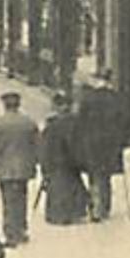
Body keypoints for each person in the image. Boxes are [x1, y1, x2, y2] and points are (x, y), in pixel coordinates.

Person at [0, 91, 40, 247]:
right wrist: (34, 162)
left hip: (5, 169)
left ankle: (10, 234)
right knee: (22, 198)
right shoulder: (29, 122)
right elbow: (38, 145)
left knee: (8, 201)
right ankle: (21, 230)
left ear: (4, 105)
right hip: (24, 168)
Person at [73, 70, 129, 221]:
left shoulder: (88, 98)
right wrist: (121, 142)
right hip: (110, 143)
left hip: (91, 141)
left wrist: (79, 139)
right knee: (106, 175)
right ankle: (104, 207)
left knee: (94, 173)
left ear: (97, 80)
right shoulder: (116, 98)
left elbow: (79, 121)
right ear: (109, 80)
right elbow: (124, 121)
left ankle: (95, 207)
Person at [39, 90, 89, 225]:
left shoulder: (52, 124)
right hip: (69, 160)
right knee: (71, 185)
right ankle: (74, 212)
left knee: (58, 188)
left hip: (56, 161)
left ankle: (58, 215)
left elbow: (44, 145)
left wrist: (44, 164)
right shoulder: (74, 122)